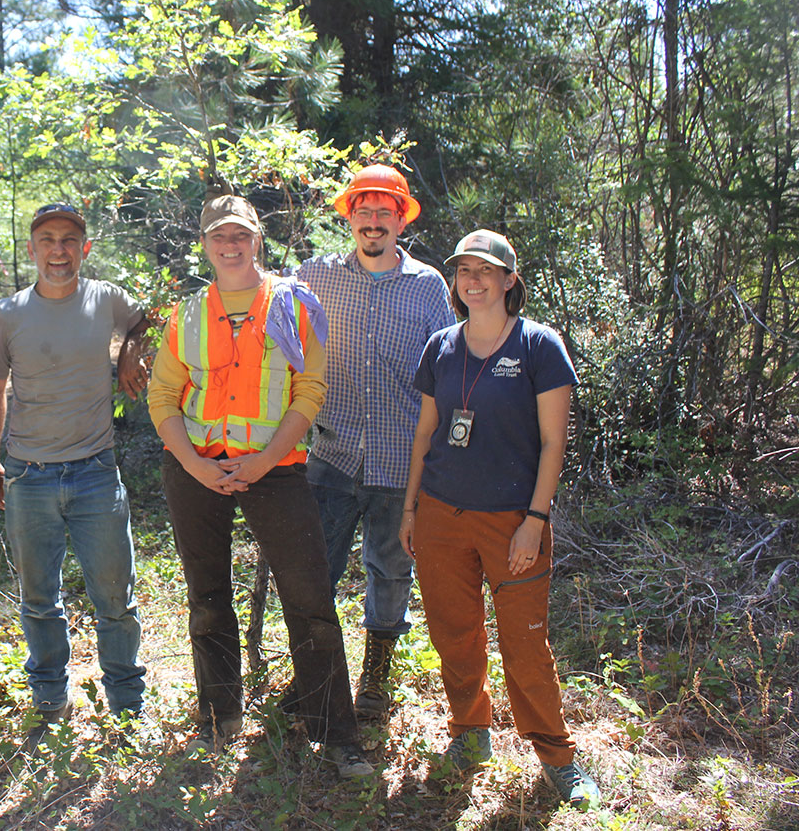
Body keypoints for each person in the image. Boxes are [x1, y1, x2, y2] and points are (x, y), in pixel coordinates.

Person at [147, 193, 371, 777]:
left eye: (240, 235)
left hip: (276, 470)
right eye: (219, 236)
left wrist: (268, 458)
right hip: (197, 470)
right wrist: (196, 465)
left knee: (311, 601)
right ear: (204, 243)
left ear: (257, 240)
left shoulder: (294, 303)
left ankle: (336, 735)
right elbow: (162, 396)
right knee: (207, 597)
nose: (230, 245)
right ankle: (219, 720)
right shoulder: (187, 313)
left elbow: (310, 389)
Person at [400, 229, 601, 808]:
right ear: (455, 282)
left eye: (487, 272)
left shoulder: (539, 346)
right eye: (465, 272)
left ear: (510, 280)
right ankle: (471, 734)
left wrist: (535, 520)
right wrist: (410, 509)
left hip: (512, 520)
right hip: (440, 514)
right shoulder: (440, 345)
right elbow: (424, 433)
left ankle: (556, 756)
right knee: (453, 632)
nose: (475, 282)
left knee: (525, 643)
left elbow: (553, 443)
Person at [0, 203, 149, 744]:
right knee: (38, 598)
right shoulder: (8, 314)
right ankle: (49, 699)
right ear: (31, 249)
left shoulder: (106, 299)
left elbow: (151, 318)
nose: (58, 250)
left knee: (115, 598)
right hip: (30, 475)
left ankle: (126, 706)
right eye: (47, 240)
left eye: (69, 240)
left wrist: (128, 354)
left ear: (85, 249)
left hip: (97, 471)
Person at [297, 164, 455, 723]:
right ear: (350, 217)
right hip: (331, 453)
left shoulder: (429, 285)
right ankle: (314, 676)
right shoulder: (314, 275)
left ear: (401, 219)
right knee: (315, 570)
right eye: (363, 211)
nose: (372, 221)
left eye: (384, 211)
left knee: (390, 570)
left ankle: (375, 681)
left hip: (401, 459)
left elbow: (448, 364)